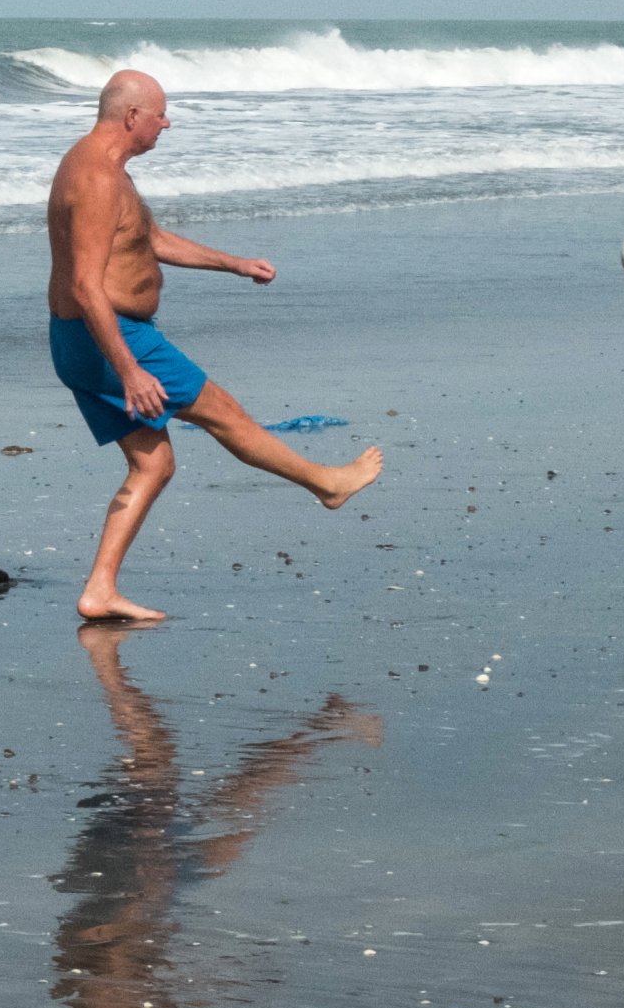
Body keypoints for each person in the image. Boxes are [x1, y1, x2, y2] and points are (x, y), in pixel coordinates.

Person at [46, 69, 381, 621]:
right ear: (132, 117)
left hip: (80, 339)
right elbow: (86, 283)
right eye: (160, 113)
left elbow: (147, 240)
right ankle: (327, 484)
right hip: (110, 337)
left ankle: (99, 590)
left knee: (152, 467)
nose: (166, 122)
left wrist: (234, 263)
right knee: (223, 413)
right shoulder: (99, 177)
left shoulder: (99, 165)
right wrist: (129, 370)